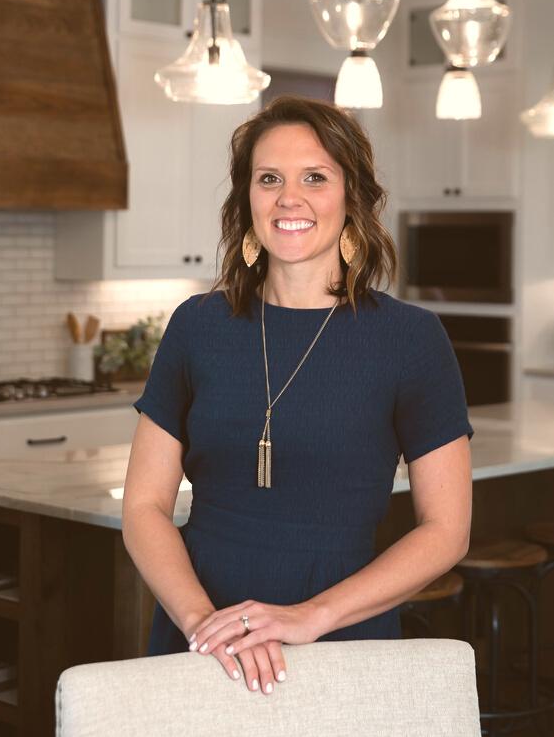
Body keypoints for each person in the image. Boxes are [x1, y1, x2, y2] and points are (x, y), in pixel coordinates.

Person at [122, 94, 474, 696]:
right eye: (269, 179)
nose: (290, 198)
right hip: (201, 635)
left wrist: (311, 617)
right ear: (246, 198)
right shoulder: (196, 326)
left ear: (352, 196)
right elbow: (143, 506)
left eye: (315, 177)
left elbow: (446, 530)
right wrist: (203, 623)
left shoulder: (410, 338)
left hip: (339, 635)